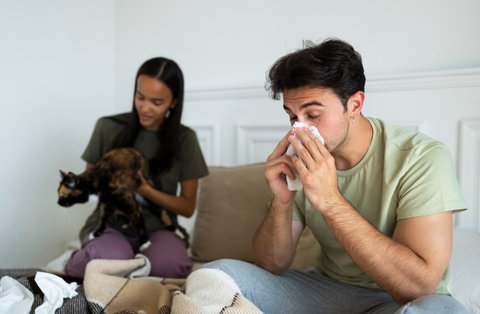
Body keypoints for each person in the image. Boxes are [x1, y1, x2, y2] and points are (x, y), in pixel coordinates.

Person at [203, 38, 468, 313]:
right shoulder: (301, 163)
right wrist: (281, 203)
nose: (300, 130)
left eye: (313, 114)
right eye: (292, 117)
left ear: (355, 105)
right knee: (215, 275)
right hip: (325, 291)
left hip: (397, 301)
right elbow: (271, 265)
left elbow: (418, 287)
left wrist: (329, 200)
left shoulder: (420, 158)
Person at [65, 57, 209, 279]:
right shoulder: (108, 127)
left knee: (172, 265)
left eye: (156, 102)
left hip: (158, 229)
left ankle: (133, 263)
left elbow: (187, 207)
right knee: (108, 261)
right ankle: (76, 262)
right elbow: (89, 185)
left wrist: (145, 190)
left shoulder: (185, 139)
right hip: (110, 225)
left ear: (173, 102)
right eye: (140, 97)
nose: (145, 107)